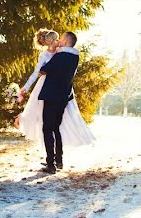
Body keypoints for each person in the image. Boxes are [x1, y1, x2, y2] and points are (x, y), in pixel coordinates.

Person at [17, 30, 94, 173]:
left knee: (47, 128)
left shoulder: (59, 56)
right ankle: (59, 160)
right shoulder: (74, 57)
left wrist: (25, 88)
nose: (59, 41)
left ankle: (50, 164)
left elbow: (44, 69)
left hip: (51, 95)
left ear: (64, 42)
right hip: (63, 97)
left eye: (61, 39)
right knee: (56, 128)